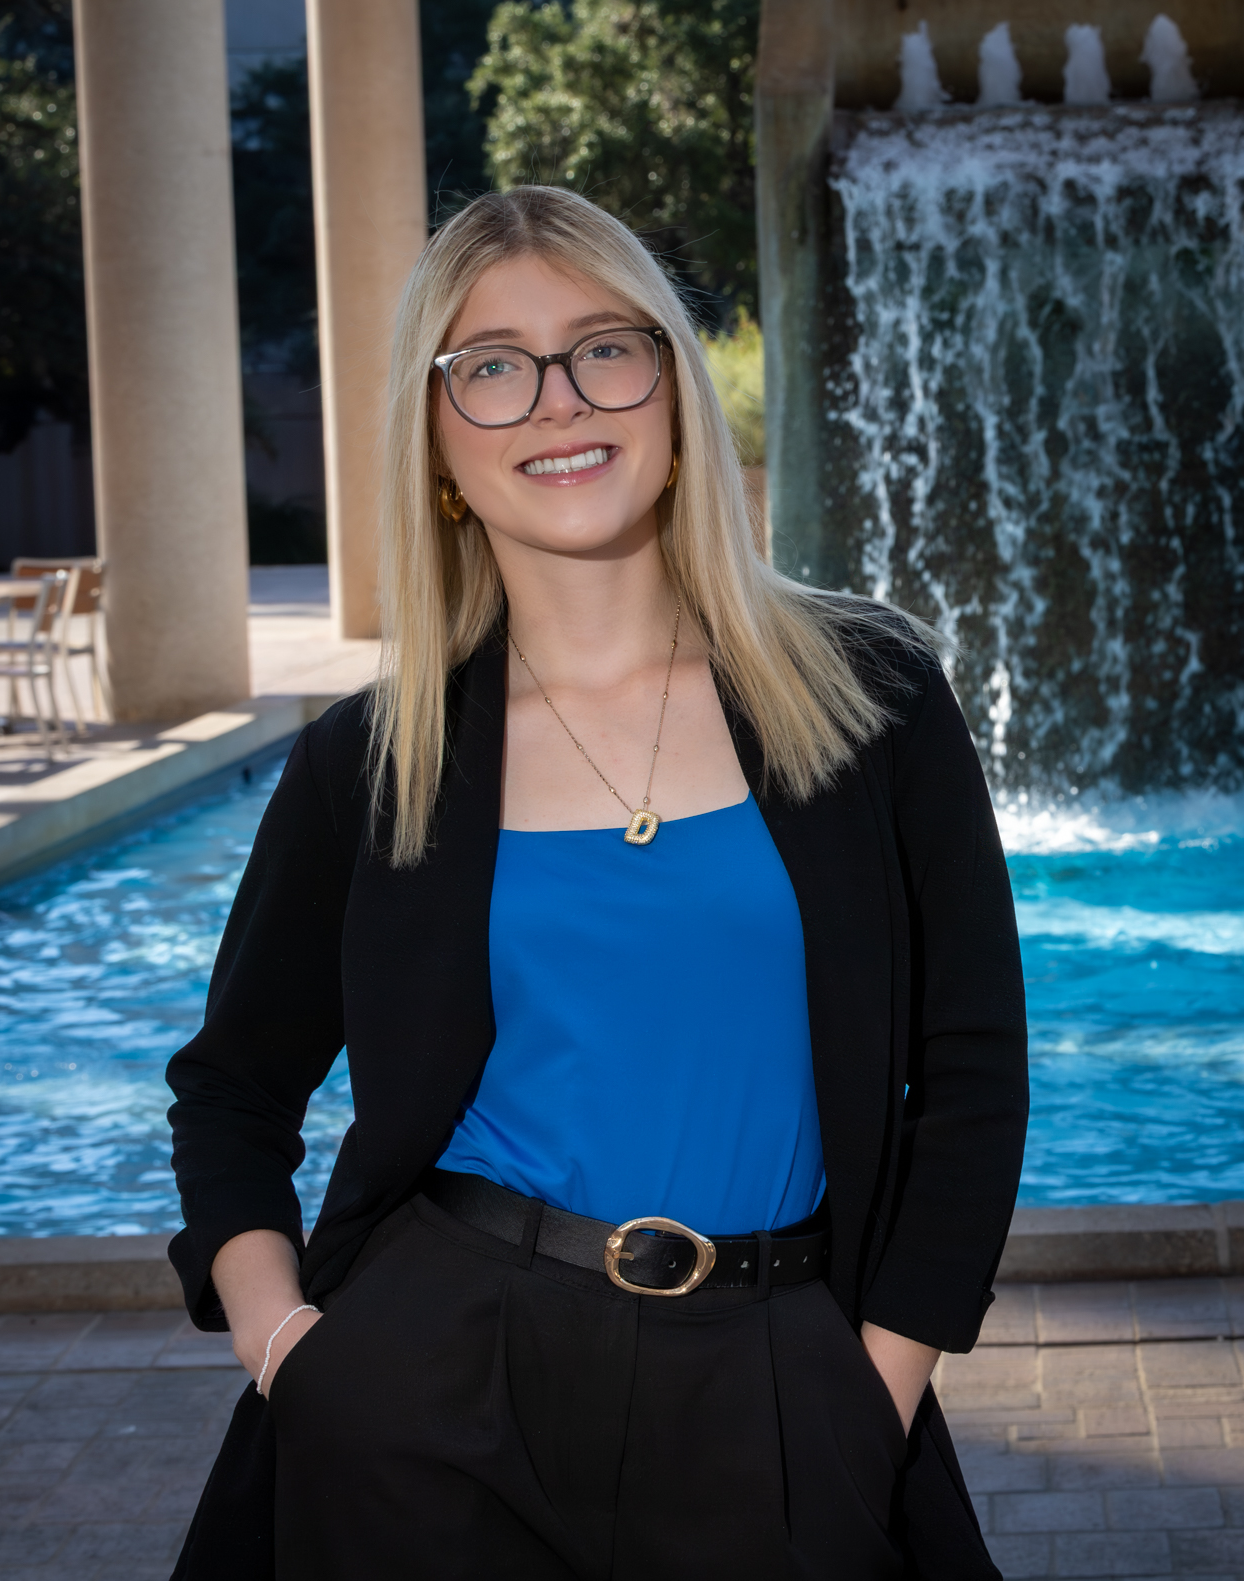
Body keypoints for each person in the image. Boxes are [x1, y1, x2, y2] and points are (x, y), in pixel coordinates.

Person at [166, 185, 1027, 1581]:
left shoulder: (870, 699)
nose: (557, 403)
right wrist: (288, 1348)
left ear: (672, 390)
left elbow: (972, 1070)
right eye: (491, 368)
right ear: (439, 445)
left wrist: (873, 1386)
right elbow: (232, 1087)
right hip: (433, 1388)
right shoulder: (373, 762)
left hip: (781, 1376)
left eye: (602, 349)